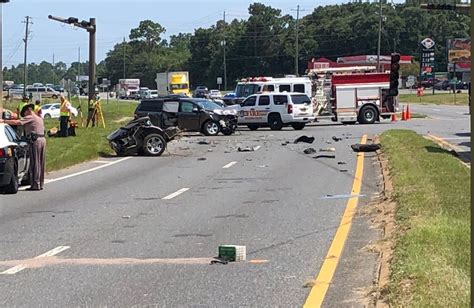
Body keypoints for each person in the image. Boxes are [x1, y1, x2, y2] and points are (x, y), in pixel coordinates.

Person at [0, 103, 46, 191]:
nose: (24, 116)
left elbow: (18, 122)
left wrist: (4, 121)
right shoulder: (39, 118)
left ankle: (35, 184)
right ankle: (40, 183)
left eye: (24, 114)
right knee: (40, 162)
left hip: (35, 141)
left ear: (28, 110)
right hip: (42, 139)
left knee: (35, 162)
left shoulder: (31, 117)